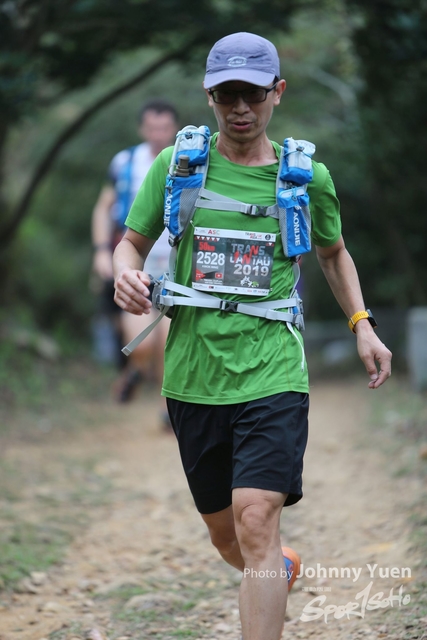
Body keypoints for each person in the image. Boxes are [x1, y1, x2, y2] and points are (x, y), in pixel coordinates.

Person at [112, 33, 392, 640]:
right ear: (209, 96)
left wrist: (362, 325)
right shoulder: (178, 166)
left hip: (273, 370)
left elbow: (333, 253)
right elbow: (130, 243)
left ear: (277, 92)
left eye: (254, 94)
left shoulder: (306, 177)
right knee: (228, 536)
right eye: (227, 95)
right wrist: (124, 275)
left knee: (257, 518)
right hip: (194, 374)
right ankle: (275, 570)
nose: (241, 108)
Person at [91, 99, 179, 408]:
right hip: (136, 261)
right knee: (140, 344)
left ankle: (170, 410)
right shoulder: (125, 162)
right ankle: (134, 371)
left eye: (164, 128)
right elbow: (103, 208)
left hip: (175, 265)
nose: (158, 134)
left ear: (174, 129)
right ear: (142, 128)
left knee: (169, 343)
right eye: (152, 128)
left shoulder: (189, 162)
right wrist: (102, 251)